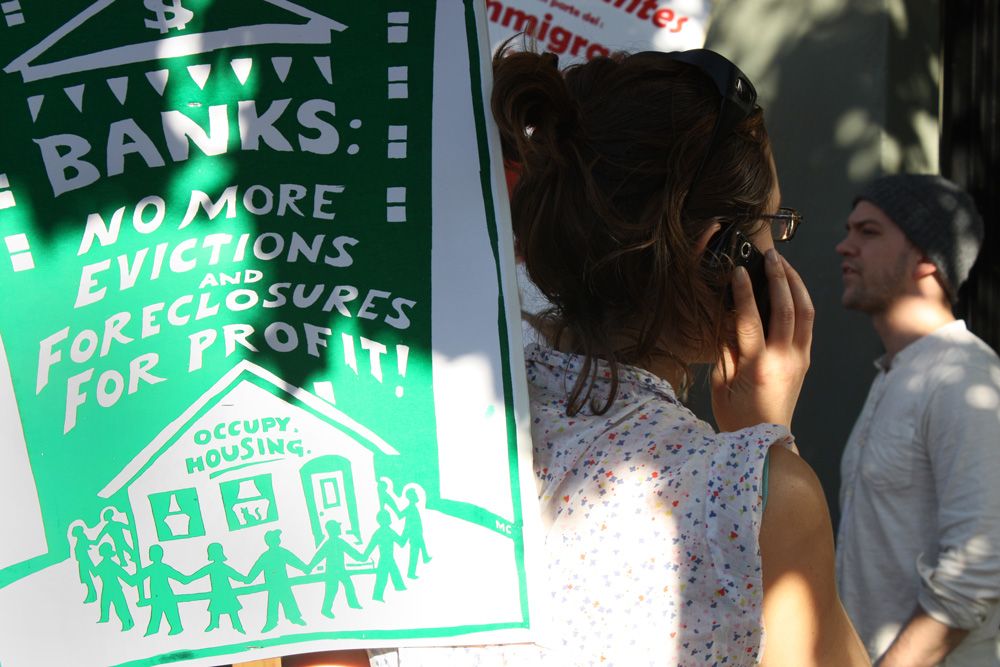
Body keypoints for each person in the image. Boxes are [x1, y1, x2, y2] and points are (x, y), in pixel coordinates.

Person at [365, 46, 868, 666]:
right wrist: (767, 443)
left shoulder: (417, 436)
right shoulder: (754, 494)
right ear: (719, 251)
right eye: (773, 224)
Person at [834, 173, 1000, 666]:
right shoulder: (896, 374)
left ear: (929, 257)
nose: (845, 246)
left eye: (869, 232)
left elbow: (981, 566)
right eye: (849, 230)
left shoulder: (965, 378)